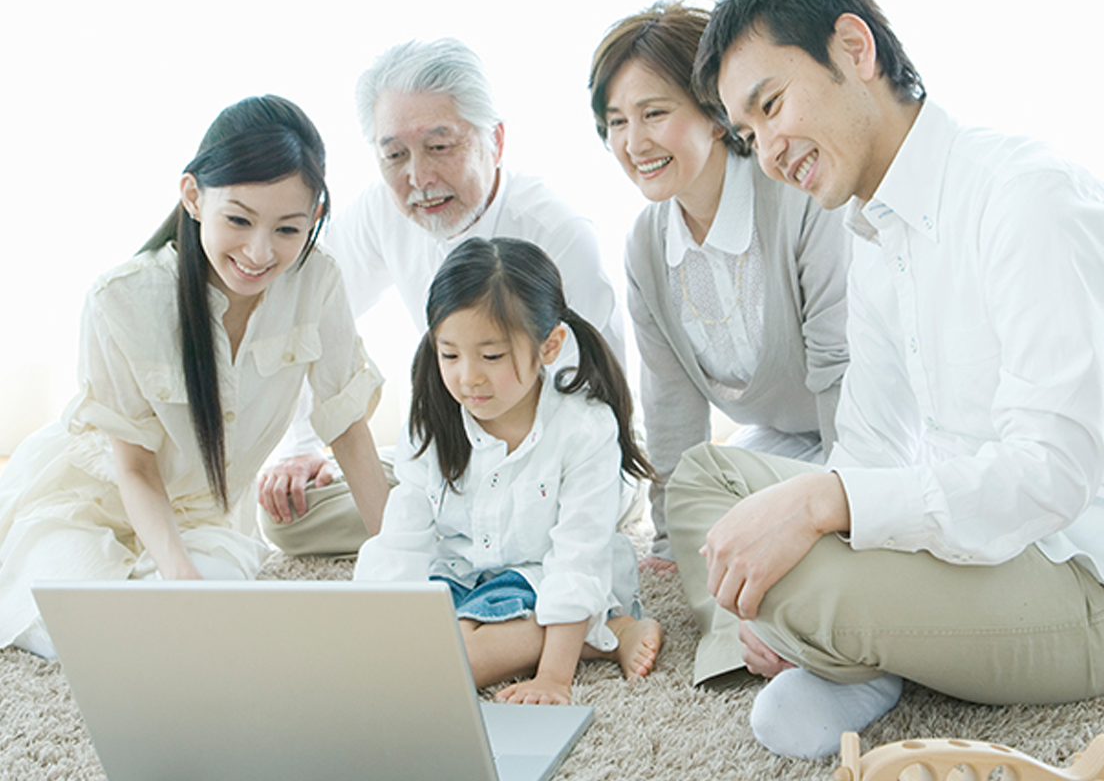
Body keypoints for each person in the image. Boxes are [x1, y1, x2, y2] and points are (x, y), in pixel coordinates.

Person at [667, 0, 1104, 760]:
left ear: (855, 49)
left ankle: (834, 639)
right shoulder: (873, 227)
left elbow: (1049, 475)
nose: (770, 155)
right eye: (747, 135)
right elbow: (874, 441)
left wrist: (823, 508)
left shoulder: (1024, 196)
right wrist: (821, 507)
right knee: (702, 482)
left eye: (771, 105)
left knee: (789, 572)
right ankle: (836, 640)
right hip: (984, 542)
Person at [0, 95, 389, 660]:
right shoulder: (121, 300)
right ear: (193, 197)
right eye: (238, 219)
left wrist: (399, 563)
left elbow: (347, 428)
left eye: (287, 229)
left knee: (204, 627)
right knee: (83, 629)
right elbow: (133, 466)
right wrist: (177, 575)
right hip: (89, 501)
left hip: (204, 517)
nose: (260, 252)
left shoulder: (317, 281)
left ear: (314, 219)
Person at [258, 38, 625, 557]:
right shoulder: (382, 210)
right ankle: (461, 538)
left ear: (494, 140)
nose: (418, 178)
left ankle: (468, 541)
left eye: (439, 147)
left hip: (557, 460)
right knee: (289, 519)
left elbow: (595, 395)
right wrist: (300, 446)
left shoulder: (555, 230)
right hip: (453, 452)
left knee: (548, 524)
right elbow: (301, 315)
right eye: (394, 155)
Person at [588, 0, 848, 576]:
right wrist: (667, 541)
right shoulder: (646, 246)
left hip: (867, 436)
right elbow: (669, 404)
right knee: (710, 525)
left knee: (786, 542)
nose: (634, 143)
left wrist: (842, 511)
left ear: (714, 112)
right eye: (616, 122)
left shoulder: (796, 199)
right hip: (781, 441)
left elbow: (842, 375)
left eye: (654, 113)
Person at [354, 237, 660, 704]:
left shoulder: (582, 428)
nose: (468, 377)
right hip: (462, 575)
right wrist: (378, 628)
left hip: (544, 577)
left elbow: (577, 557)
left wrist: (553, 678)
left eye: (491, 356)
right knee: (408, 656)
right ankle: (606, 636)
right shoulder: (431, 423)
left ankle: (604, 628)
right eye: (449, 355)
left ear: (550, 345)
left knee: (457, 664)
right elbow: (403, 540)